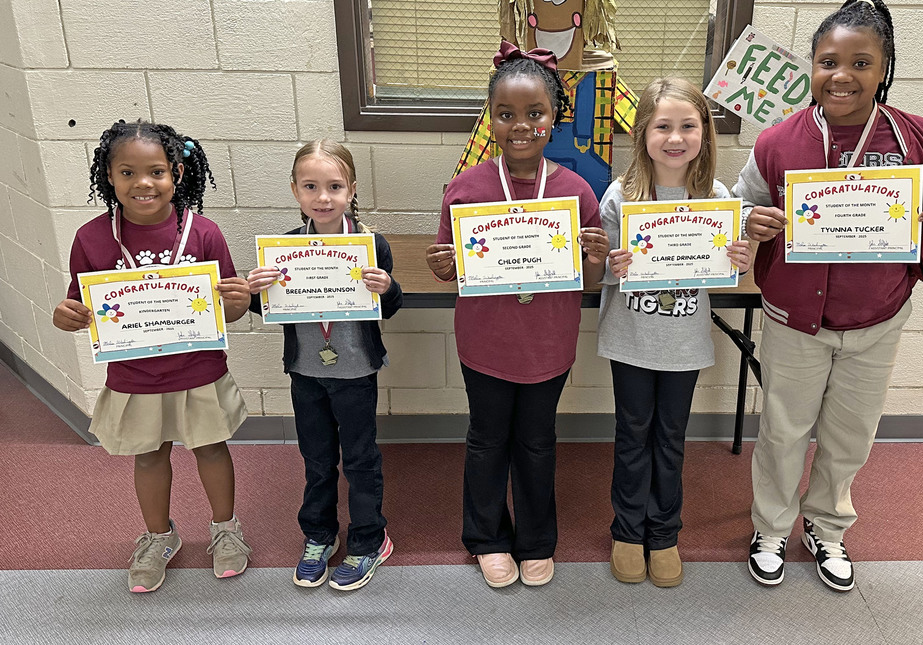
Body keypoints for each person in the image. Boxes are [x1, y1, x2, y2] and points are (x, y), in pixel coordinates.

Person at [734, 0, 923, 591]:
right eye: (828, 61)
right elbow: (740, 207)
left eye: (860, 63)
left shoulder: (918, 137)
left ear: (884, 67)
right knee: (784, 430)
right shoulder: (776, 142)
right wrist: (749, 220)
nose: (841, 76)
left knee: (850, 432)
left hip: (877, 315)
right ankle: (770, 526)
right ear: (811, 66)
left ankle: (828, 527)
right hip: (795, 317)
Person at [426, 42, 611, 588]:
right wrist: (444, 266)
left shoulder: (577, 192)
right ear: (491, 118)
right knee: (486, 439)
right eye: (506, 114)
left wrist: (596, 260)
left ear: (554, 117)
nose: (521, 126)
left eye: (535, 114)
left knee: (536, 440)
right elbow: (453, 270)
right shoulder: (465, 189)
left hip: (548, 343)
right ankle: (486, 537)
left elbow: (592, 282)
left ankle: (535, 539)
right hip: (485, 342)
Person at [52, 120, 253, 593]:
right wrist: (67, 315)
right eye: (127, 172)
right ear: (109, 176)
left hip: (198, 370)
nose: (143, 183)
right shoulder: (91, 238)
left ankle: (226, 530)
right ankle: (159, 537)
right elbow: (78, 304)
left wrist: (239, 303)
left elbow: (229, 305)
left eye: (156, 172)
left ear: (177, 174)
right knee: (148, 457)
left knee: (210, 449)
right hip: (134, 372)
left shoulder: (203, 232)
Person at [597, 77, 751, 587]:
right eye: (663, 126)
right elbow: (600, 267)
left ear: (705, 132)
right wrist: (612, 263)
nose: (675, 137)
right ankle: (626, 531)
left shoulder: (716, 196)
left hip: (684, 342)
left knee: (671, 439)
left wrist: (738, 260)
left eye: (688, 125)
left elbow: (725, 271)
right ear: (643, 132)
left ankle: (663, 534)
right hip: (632, 338)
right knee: (632, 436)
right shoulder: (620, 197)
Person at [247, 140, 402, 591]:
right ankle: (319, 535)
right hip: (306, 371)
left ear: (351, 189)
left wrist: (387, 287)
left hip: (355, 372)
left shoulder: (372, 245)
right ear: (295, 190)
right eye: (311, 186)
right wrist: (257, 291)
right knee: (316, 461)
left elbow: (391, 307)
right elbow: (269, 309)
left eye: (334, 186)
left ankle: (370, 539)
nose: (323, 197)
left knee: (359, 460)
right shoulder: (282, 249)